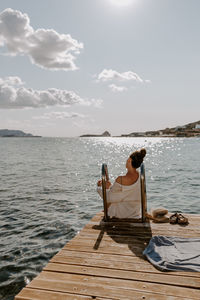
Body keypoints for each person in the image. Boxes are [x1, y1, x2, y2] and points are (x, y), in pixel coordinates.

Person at [97, 148, 146, 219]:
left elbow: (108, 198)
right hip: (134, 213)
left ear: (129, 160)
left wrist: (100, 188)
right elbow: (125, 194)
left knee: (109, 201)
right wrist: (110, 186)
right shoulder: (141, 176)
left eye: (127, 159)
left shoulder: (121, 179)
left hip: (120, 215)